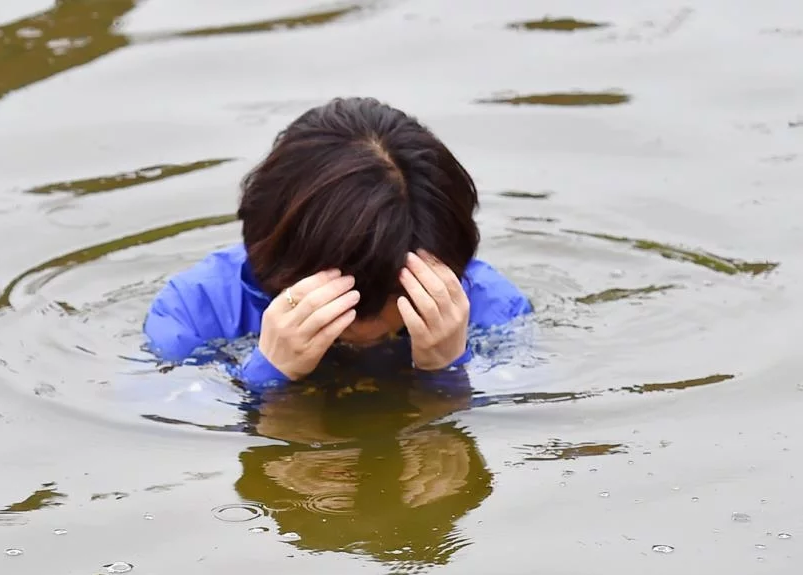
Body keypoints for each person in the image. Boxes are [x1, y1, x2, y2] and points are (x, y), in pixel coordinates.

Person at [143, 97, 533, 392]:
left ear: (450, 261)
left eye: (392, 296)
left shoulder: (489, 306)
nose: (363, 328)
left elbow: (522, 406)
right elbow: (156, 408)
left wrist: (448, 368)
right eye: (341, 294)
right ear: (277, 255)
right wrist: (265, 374)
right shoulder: (199, 308)